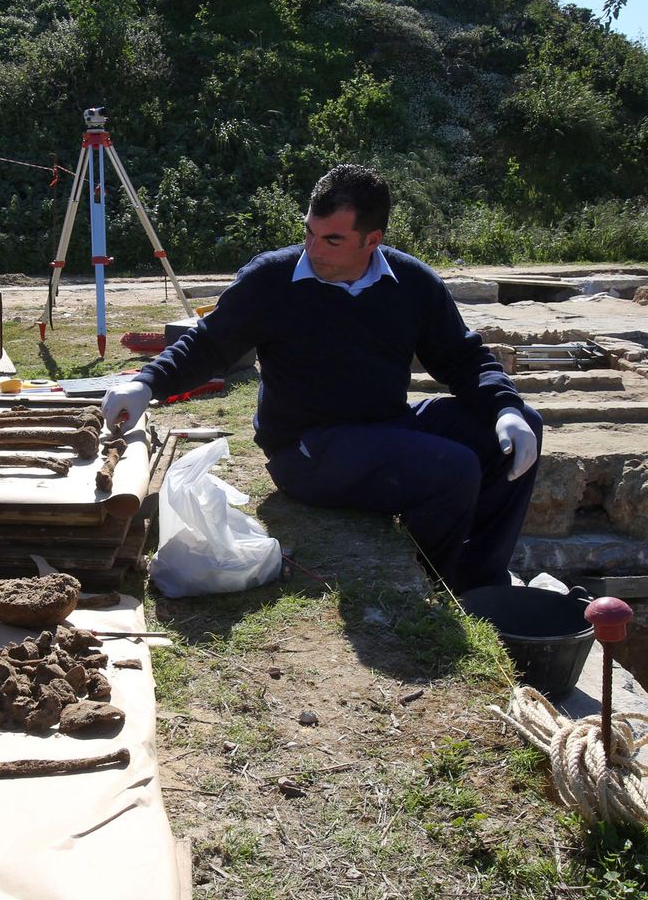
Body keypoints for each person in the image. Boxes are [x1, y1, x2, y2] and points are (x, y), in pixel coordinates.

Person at [103, 164, 541, 592]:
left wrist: (503, 405)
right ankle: (437, 587)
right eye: (310, 232)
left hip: (387, 425)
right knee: (453, 468)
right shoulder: (273, 279)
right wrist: (147, 382)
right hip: (307, 448)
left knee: (520, 426)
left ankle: (482, 582)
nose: (314, 248)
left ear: (373, 240)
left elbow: (461, 356)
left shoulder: (410, 283)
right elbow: (209, 343)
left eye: (333, 239)